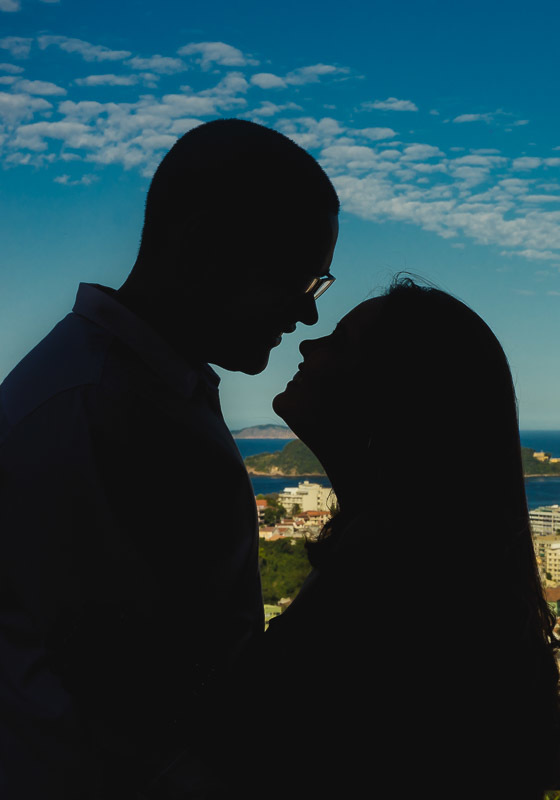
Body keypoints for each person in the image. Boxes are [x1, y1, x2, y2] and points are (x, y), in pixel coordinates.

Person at [0, 118, 340, 797]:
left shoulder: (129, 394)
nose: (308, 316)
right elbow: (134, 713)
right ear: (208, 249)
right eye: (301, 280)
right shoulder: (98, 410)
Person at [198, 279, 560, 798]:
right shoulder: (420, 563)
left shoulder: (391, 580)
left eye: (339, 342)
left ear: (392, 400)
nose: (308, 343)